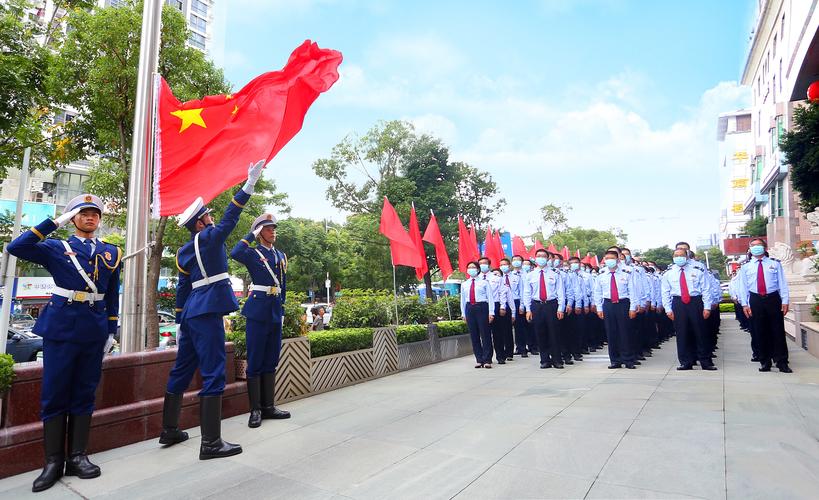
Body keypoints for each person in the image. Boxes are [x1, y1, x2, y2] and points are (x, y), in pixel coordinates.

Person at [8, 194, 121, 493]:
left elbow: (112, 294)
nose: (90, 217)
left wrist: (112, 330)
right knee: (55, 391)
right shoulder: (57, 247)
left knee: (85, 391)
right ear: (73, 218)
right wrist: (54, 222)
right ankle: (53, 462)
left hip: (94, 327)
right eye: (83, 213)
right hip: (61, 326)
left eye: (94, 213)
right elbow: (16, 247)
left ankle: (78, 456)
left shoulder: (112, 252)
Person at [159, 159, 266, 460]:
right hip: (207, 313)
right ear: (201, 222)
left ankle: (169, 429)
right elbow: (232, 216)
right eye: (208, 216)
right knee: (214, 371)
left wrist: (180, 322)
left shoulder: (182, 252)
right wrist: (249, 184)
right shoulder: (209, 238)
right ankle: (211, 443)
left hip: (192, 312)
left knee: (181, 369)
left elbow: (182, 289)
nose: (213, 218)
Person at [230, 213, 292, 428]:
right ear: (259, 232)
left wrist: (282, 310)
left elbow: (283, 285)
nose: (273, 231)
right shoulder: (252, 252)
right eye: (267, 228)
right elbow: (235, 252)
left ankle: (269, 406)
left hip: (275, 310)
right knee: (255, 360)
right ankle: (255, 410)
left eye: (274, 228)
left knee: (271, 359)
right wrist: (251, 234)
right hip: (257, 310)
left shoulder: (281, 255)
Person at [737, 238, 792, 373]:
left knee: (777, 331)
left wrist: (785, 301)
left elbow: (782, 284)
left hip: (773, 298)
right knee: (759, 331)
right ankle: (764, 361)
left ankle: (781, 361)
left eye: (759, 245)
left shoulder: (775, 264)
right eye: (753, 246)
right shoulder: (746, 267)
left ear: (765, 247)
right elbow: (743, 287)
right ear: (750, 249)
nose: (756, 248)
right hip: (755, 299)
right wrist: (745, 304)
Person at [660, 249, 716, 371]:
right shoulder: (668, 273)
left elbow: (706, 289)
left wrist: (707, 307)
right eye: (676, 255)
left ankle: (705, 361)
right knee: (682, 333)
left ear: (687, 257)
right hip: (678, 303)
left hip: (695, 302)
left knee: (700, 332)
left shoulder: (697, 270)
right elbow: (665, 292)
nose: (679, 257)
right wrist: (668, 309)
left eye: (682, 255)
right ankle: (686, 361)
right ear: (673, 257)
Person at [593, 250, 639, 369]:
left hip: (623, 304)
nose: (609, 260)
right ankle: (615, 360)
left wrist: (633, 307)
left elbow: (632, 292)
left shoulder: (626, 274)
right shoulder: (601, 275)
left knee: (625, 332)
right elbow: (597, 293)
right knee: (611, 333)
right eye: (607, 258)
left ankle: (628, 359)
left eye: (612, 258)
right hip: (608, 304)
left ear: (618, 259)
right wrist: (599, 308)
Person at [522, 248, 566, 369]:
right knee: (540, 333)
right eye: (538, 256)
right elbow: (526, 293)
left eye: (543, 256)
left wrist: (560, 309)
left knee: (554, 333)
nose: (541, 258)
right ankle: (544, 360)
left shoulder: (554, 274)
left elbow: (560, 292)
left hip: (551, 305)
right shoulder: (530, 275)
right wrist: (528, 309)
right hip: (537, 305)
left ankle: (557, 360)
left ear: (548, 259)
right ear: (535, 259)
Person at [460, 261, 494, 368]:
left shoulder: (484, 282)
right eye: (469, 267)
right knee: (474, 335)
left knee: (485, 334)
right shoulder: (464, 284)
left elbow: (490, 298)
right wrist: (463, 313)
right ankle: (479, 359)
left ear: (478, 269)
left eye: (473, 267)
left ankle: (487, 359)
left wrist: (491, 313)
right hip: (470, 308)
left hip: (482, 307)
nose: (471, 269)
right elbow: (463, 300)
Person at [478, 257, 502, 365]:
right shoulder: (476, 279)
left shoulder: (496, 278)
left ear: (489, 265)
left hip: (495, 305)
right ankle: (487, 357)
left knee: (497, 333)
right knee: (484, 333)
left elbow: (502, 293)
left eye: (485, 263)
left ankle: (500, 356)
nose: (482, 265)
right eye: (480, 263)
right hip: (482, 307)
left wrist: (502, 306)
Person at [498, 258, 518, 363]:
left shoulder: (515, 278)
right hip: (497, 308)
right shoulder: (494, 283)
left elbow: (510, 299)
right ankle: (500, 353)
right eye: (501, 265)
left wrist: (513, 312)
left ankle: (509, 352)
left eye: (505, 264)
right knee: (498, 332)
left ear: (509, 265)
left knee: (507, 331)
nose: (503, 266)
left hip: (509, 307)